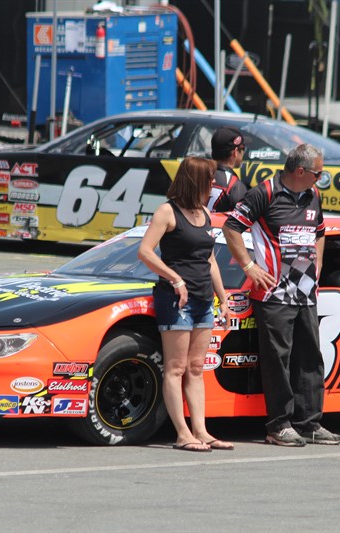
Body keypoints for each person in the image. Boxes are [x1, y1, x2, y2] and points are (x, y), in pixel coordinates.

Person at [223, 144, 340, 447]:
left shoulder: (313, 195)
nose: (321, 178)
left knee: (310, 359)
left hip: (306, 294)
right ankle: (279, 425)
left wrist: (318, 265)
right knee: (279, 361)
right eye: (318, 173)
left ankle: (309, 423)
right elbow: (231, 227)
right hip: (273, 295)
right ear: (300, 171)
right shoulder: (264, 192)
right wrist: (249, 266)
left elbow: (320, 233)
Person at [138, 157, 233, 452]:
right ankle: (182, 433)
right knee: (176, 367)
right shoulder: (167, 211)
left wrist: (223, 297)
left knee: (195, 367)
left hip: (203, 299)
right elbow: (145, 252)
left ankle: (201, 431)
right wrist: (175, 279)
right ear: (196, 179)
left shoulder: (204, 212)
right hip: (175, 300)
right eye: (210, 179)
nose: (213, 184)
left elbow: (210, 259)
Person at [207, 126, 248, 212]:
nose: (243, 152)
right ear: (235, 152)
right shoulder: (235, 185)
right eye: (243, 148)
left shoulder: (197, 174)